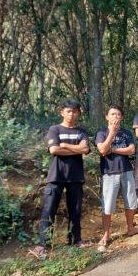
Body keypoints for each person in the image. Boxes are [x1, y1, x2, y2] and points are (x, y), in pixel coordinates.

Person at [32, 100, 90, 259]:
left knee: (76, 211)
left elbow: (85, 149)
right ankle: (43, 244)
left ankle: (75, 240)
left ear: (78, 113)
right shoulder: (54, 129)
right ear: (62, 112)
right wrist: (74, 149)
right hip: (56, 176)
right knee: (48, 210)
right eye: (68, 111)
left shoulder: (81, 131)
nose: (71, 114)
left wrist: (64, 145)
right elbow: (54, 149)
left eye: (75, 111)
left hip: (76, 177)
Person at [95, 105, 138, 247]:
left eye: (118, 114)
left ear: (122, 117)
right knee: (108, 204)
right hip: (109, 172)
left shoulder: (126, 133)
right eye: (112, 114)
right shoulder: (101, 132)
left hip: (126, 170)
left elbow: (131, 150)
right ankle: (106, 234)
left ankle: (130, 228)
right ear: (107, 117)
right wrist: (112, 133)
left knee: (131, 200)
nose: (115, 116)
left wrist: (112, 149)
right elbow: (102, 149)